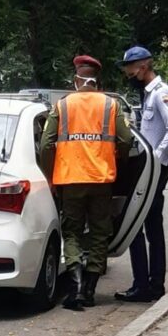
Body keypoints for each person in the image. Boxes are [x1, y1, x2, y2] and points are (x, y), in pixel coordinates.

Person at [40, 55, 132, 310]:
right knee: (100, 232)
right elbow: (126, 141)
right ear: (97, 80)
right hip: (101, 178)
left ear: (76, 80)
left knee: (72, 233)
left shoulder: (63, 105)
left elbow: (46, 144)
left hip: (70, 179)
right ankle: (90, 289)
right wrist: (117, 161)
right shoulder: (111, 105)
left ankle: (77, 289)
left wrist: (50, 176)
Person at [114, 46, 168, 302]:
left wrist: (156, 160)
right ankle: (152, 285)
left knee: (136, 224)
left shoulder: (160, 94)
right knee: (151, 225)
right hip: (149, 169)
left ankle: (145, 286)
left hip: (154, 170)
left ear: (142, 67)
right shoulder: (147, 94)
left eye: (130, 68)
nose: (128, 73)